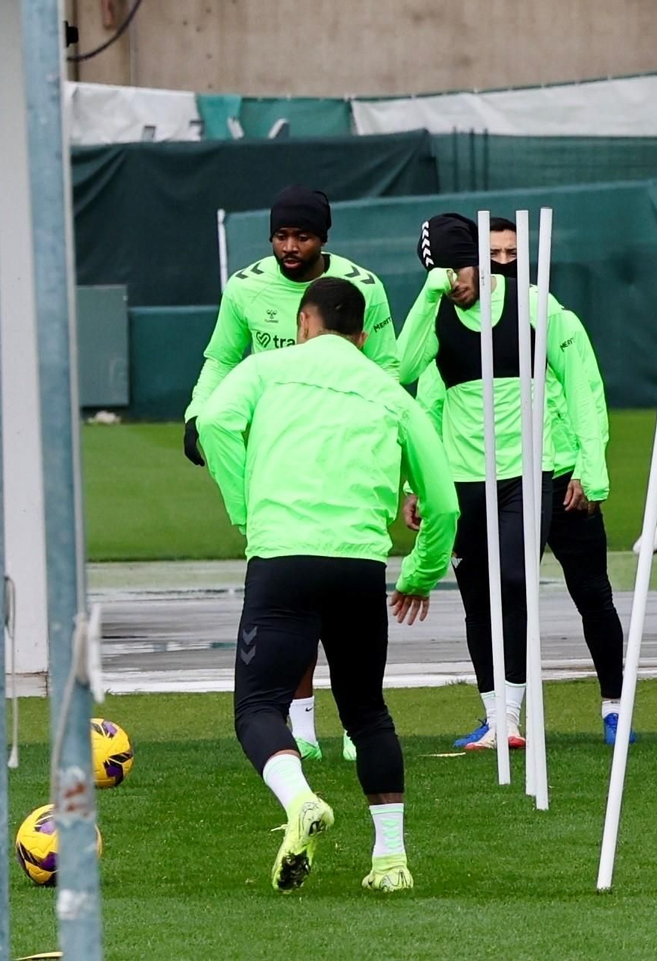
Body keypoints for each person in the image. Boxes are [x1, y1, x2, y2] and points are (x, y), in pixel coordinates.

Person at [196, 276, 458, 893]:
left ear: (302, 324)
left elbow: (211, 423)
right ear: (363, 337)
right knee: (367, 711)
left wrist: (244, 509)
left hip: (283, 558)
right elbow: (443, 503)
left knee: (258, 707)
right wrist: (419, 573)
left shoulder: (267, 369)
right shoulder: (389, 390)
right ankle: (391, 860)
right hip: (359, 567)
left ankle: (300, 800)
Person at [185, 184, 400, 764]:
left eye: (301, 236)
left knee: (340, 589)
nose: (288, 246)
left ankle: (358, 720)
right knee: (294, 594)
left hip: (347, 448)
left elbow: (388, 372)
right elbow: (223, 358)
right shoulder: (247, 288)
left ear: (324, 238)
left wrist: (400, 473)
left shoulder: (365, 288)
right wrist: (198, 412)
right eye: (280, 235)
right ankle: (301, 725)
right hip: (277, 450)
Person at [409, 216, 632, 745]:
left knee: (590, 591)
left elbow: (584, 388)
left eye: (513, 255)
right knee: (487, 595)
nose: (504, 263)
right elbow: (428, 400)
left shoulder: (540, 308)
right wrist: (417, 485)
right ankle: (500, 716)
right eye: (496, 254)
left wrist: (588, 466)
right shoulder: (440, 317)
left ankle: (615, 705)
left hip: (556, 470)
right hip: (479, 476)